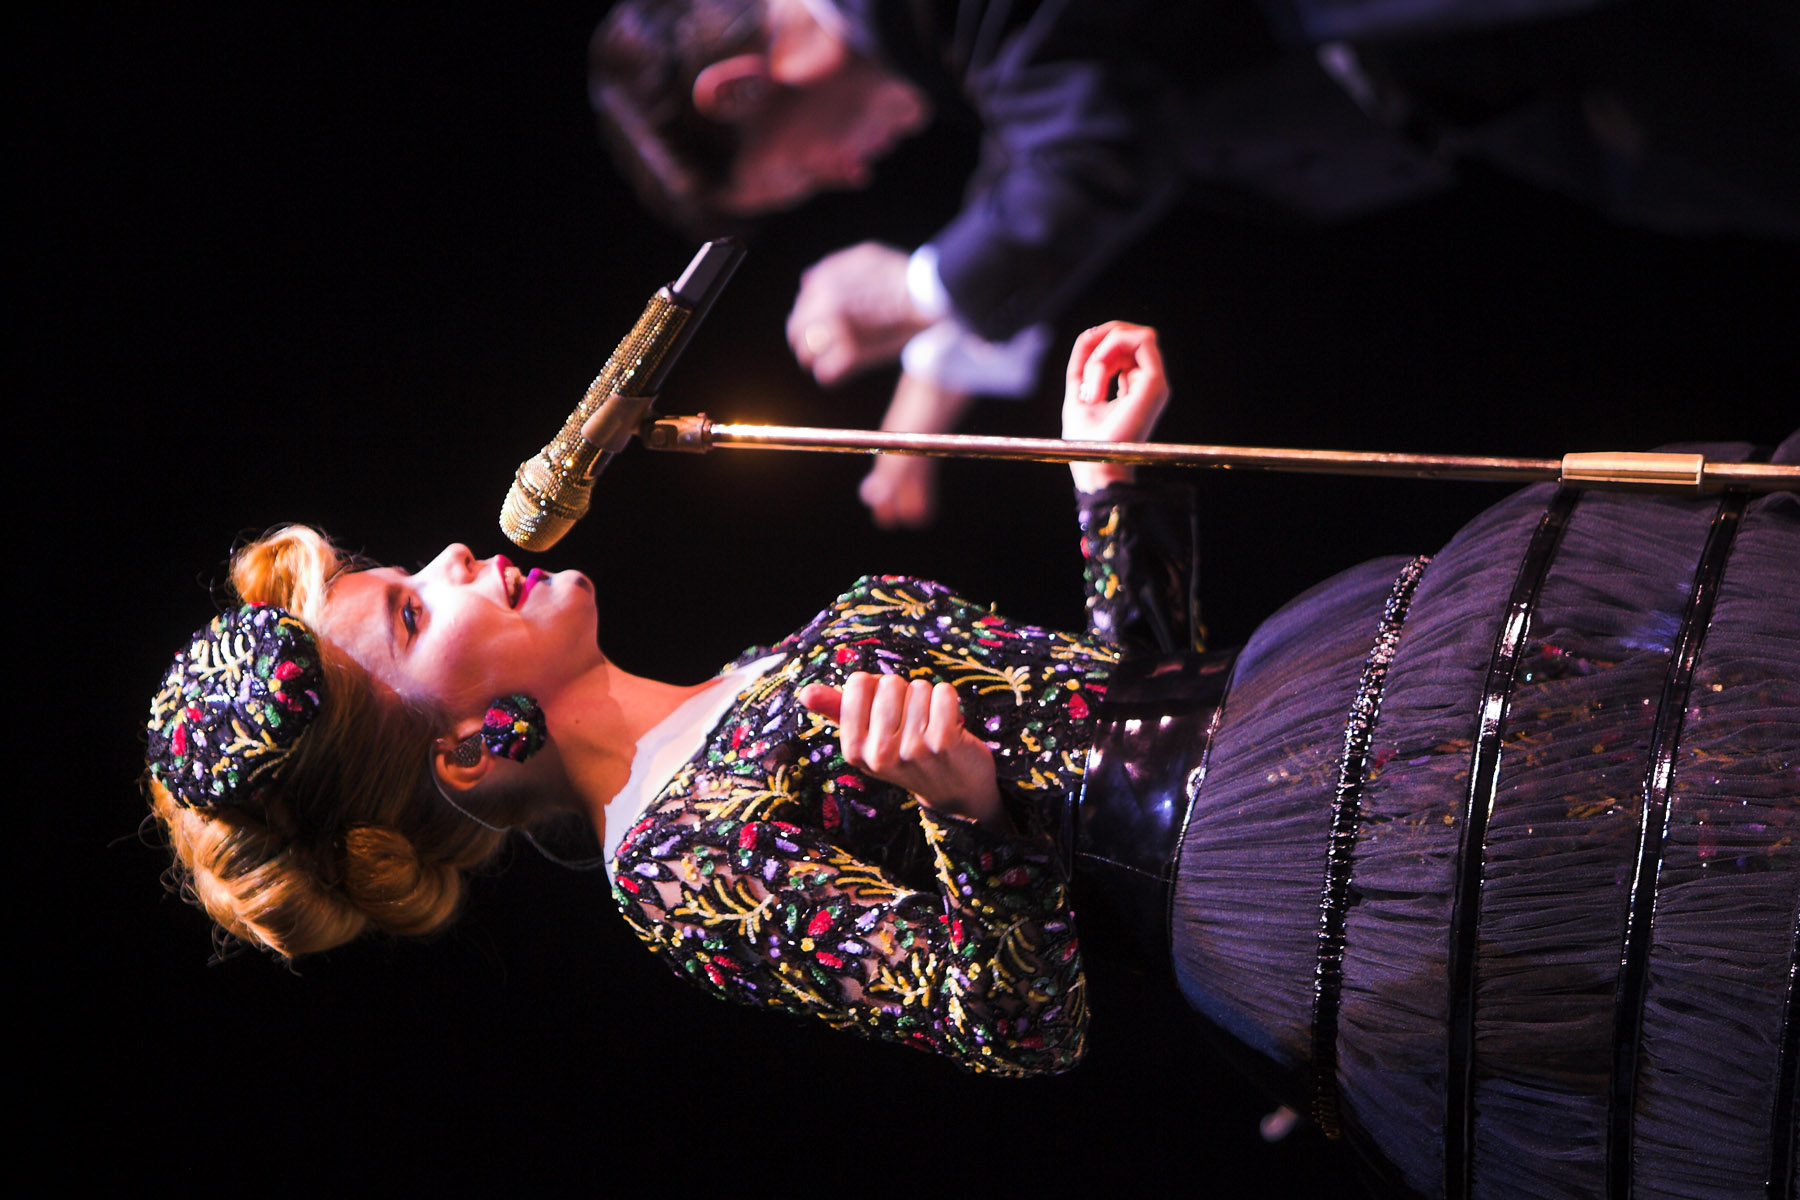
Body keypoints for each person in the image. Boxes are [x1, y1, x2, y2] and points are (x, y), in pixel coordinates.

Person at [145, 324, 1798, 1197]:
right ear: (458, 750)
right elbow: (1022, 1026)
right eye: (412, 609)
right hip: (1326, 896)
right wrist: (974, 820)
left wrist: (1109, 491)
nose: (454, 558)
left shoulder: (747, 674)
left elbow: (1123, 695)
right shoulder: (673, 866)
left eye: (405, 568)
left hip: (1313, 722)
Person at [590, 0, 1800, 529]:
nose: (852, 174)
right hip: (1502, 87)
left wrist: (918, 291)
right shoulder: (928, 29)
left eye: (806, 171)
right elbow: (1054, 98)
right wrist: (944, 358)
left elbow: (1090, 137)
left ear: (741, 88)